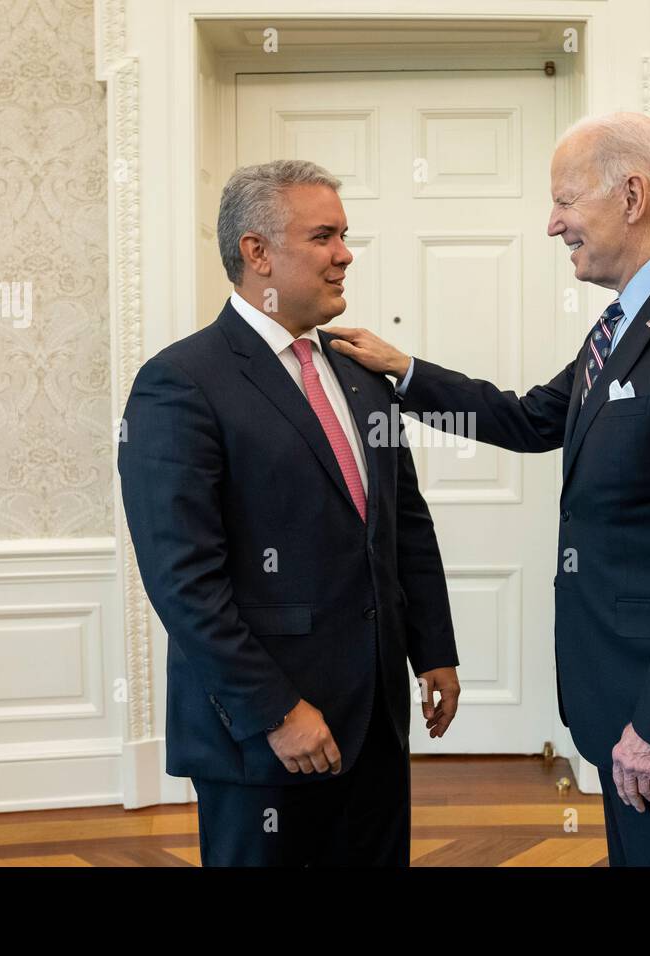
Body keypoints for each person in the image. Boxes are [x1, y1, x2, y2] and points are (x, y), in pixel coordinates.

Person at [328, 112, 650, 866]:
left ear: (632, 195)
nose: (553, 225)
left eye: (565, 201)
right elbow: (528, 418)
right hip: (624, 693)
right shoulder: (628, 321)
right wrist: (408, 373)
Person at [118, 159, 460, 866]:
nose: (345, 254)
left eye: (344, 235)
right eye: (324, 236)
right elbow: (184, 582)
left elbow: (405, 524)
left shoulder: (361, 370)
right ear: (257, 252)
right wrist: (276, 711)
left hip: (376, 723)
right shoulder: (179, 384)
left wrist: (434, 650)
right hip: (263, 738)